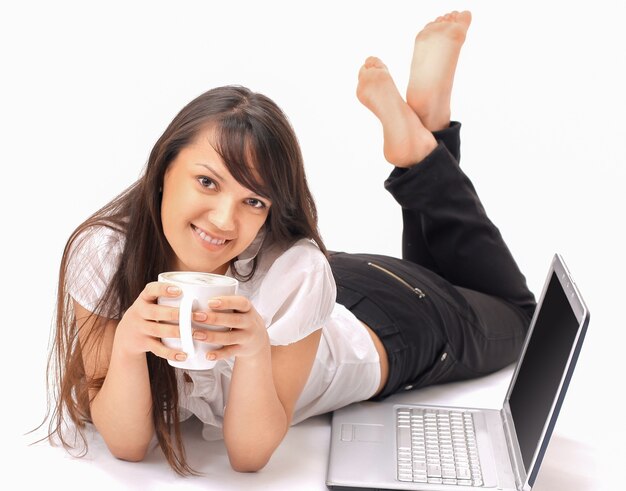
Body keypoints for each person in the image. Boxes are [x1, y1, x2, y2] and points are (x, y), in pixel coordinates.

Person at [44, 10, 536, 476]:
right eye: (208, 182)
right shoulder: (105, 253)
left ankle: (425, 149)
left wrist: (256, 351)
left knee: (516, 314)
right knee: (450, 275)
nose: (223, 220)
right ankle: (424, 143)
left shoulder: (296, 270)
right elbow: (127, 445)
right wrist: (129, 343)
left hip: (395, 325)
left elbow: (248, 457)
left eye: (254, 202)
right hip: (321, 287)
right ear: (163, 168)